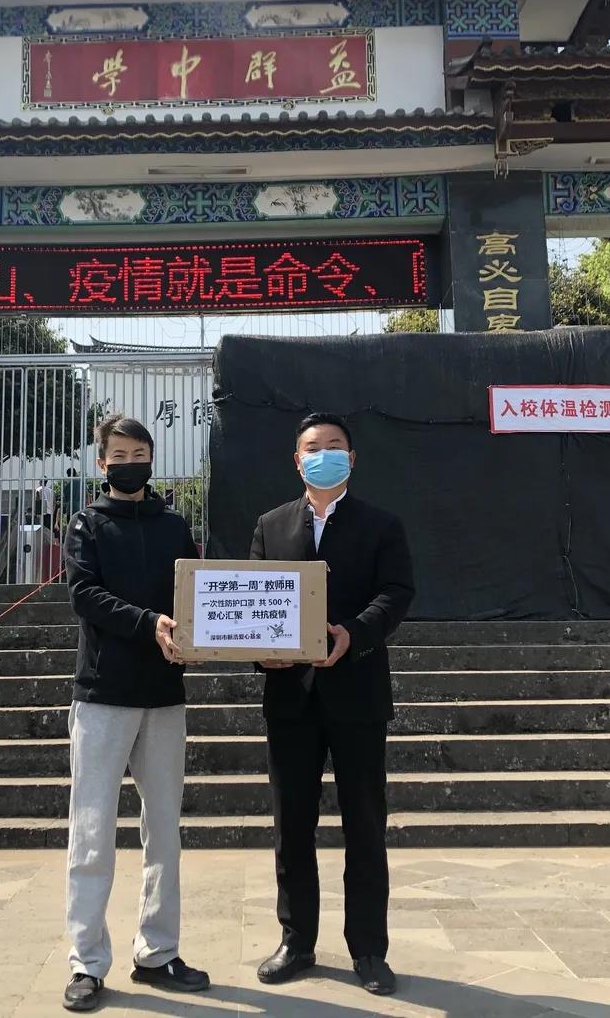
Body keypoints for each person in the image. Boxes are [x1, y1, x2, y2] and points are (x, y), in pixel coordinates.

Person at [250, 412, 414, 997]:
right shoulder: (270, 526)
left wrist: (354, 634)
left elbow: (396, 593)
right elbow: (252, 602)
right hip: (290, 698)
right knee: (291, 824)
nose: (324, 454)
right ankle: (296, 940)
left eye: (335, 446)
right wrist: (262, 655)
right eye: (313, 447)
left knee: (365, 825)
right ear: (298, 461)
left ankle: (368, 948)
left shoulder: (381, 525)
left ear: (352, 457)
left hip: (358, 694)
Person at [62, 414, 211, 1013]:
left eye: (139, 453)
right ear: (102, 464)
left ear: (152, 458)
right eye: (118, 455)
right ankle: (86, 961)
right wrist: (150, 624)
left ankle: (158, 951)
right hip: (102, 695)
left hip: (164, 696)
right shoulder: (87, 524)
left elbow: (196, 596)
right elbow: (84, 595)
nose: (130, 464)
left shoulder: (174, 526)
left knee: (164, 831)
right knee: (92, 832)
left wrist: (200, 636)